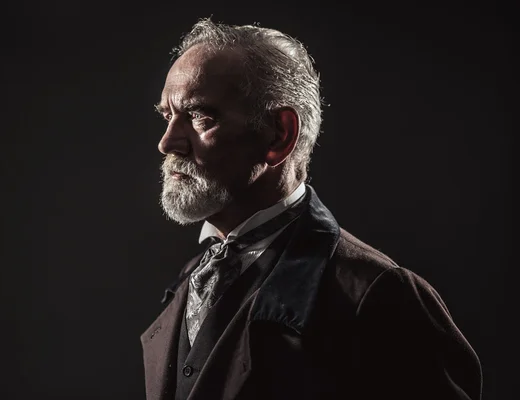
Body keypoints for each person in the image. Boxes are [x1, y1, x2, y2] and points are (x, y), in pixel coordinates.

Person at [140, 18, 482, 400]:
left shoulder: (381, 295)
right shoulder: (190, 279)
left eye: (201, 115)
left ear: (279, 135)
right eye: (168, 116)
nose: (168, 142)